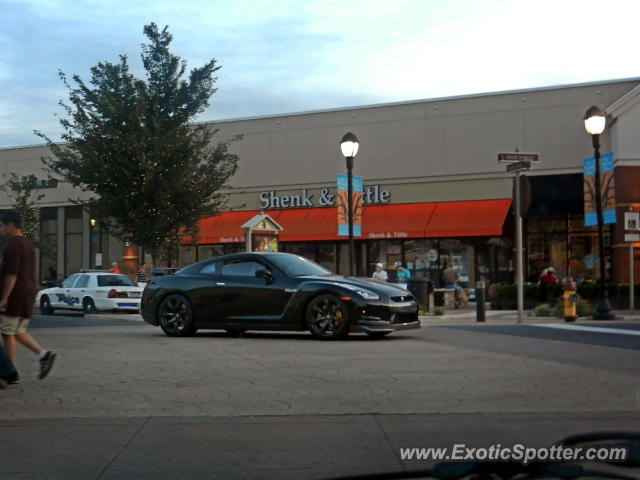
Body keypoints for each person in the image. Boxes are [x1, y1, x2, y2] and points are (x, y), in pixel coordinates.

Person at [0, 211, 56, 380]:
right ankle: (43, 354)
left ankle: (8, 372)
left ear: (10, 225)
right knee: (18, 331)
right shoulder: (27, 244)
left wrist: (4, 298)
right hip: (27, 293)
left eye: (1, 226)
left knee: (7, 332)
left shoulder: (13, 246)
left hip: (15, 295)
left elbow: (12, 274)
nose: (0, 230)